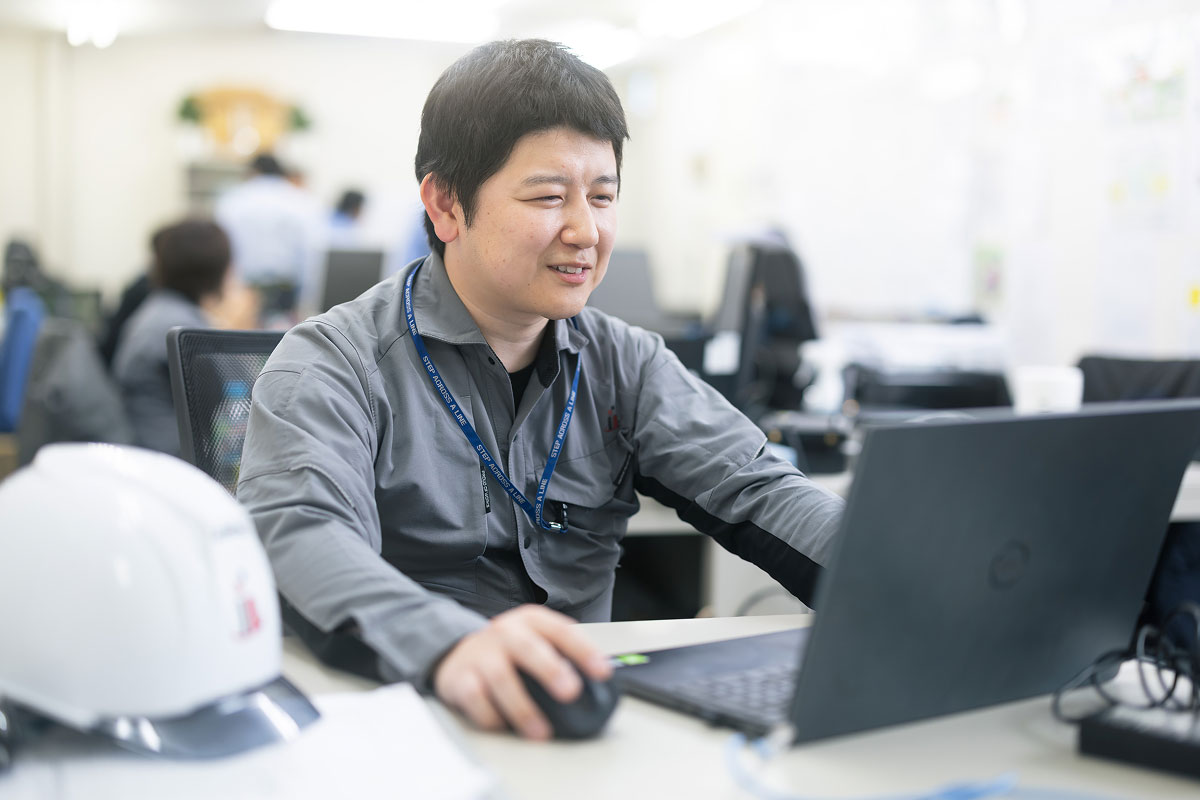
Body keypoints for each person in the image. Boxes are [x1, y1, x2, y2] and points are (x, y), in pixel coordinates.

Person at [237, 39, 844, 741]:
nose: (586, 231)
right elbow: (300, 532)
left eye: (603, 196)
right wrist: (449, 646)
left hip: (580, 727)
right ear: (445, 204)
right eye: (550, 197)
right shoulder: (333, 363)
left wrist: (896, 578)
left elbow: (757, 488)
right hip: (408, 726)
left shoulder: (624, 361)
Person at [113, 218, 258, 457]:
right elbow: (242, 397)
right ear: (219, 270)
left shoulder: (159, 311)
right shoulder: (183, 329)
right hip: (172, 460)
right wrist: (235, 326)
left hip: (153, 450)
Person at [215, 153, 321, 321]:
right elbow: (310, 252)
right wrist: (306, 298)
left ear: (252, 171)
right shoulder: (300, 200)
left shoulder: (233, 200)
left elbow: (223, 247)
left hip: (244, 290)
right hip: (287, 289)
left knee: (244, 335)